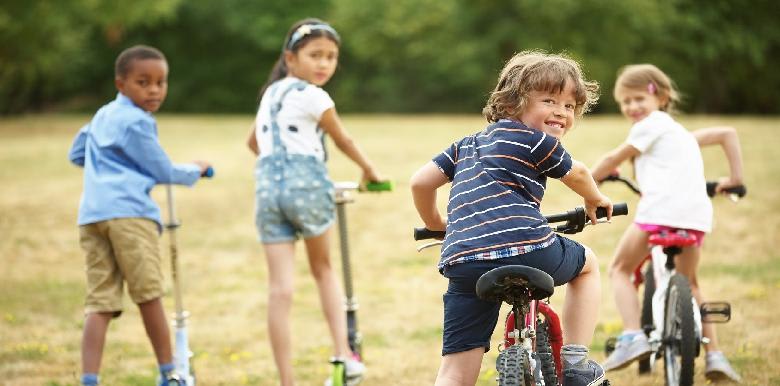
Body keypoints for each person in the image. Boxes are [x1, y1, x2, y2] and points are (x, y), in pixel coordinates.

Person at [410, 50, 612, 386]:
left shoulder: (464, 145)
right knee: (587, 265)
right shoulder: (535, 140)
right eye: (549, 100)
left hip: (464, 260)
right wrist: (596, 199)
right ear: (511, 104)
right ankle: (576, 364)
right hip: (530, 246)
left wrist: (437, 225)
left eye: (570, 106)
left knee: (455, 371)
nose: (561, 112)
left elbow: (420, 182)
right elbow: (577, 172)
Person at [245, 18, 381, 386]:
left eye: (331, 57)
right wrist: (369, 171)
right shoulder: (314, 96)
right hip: (306, 189)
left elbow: (253, 142)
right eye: (315, 55)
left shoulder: (270, 94)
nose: (323, 64)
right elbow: (343, 140)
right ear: (291, 58)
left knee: (280, 289)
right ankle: (343, 353)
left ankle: (286, 379)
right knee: (323, 270)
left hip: (267, 192)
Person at [68, 45, 211, 386]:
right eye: (143, 82)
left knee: (100, 301)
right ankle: (170, 373)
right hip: (129, 216)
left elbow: (77, 153)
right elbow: (161, 168)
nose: (154, 90)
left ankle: (89, 379)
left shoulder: (103, 115)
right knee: (149, 295)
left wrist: (109, 169)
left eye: (161, 83)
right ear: (121, 84)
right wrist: (197, 169)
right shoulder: (137, 122)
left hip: (93, 215)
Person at [590, 64, 743, 382]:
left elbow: (611, 159)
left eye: (638, 99)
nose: (632, 107)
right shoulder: (677, 133)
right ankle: (715, 355)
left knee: (619, 268)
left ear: (661, 97)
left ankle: (633, 336)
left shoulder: (649, 125)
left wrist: (589, 187)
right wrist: (735, 179)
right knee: (692, 284)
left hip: (659, 214)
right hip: (695, 217)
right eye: (626, 102)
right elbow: (726, 134)